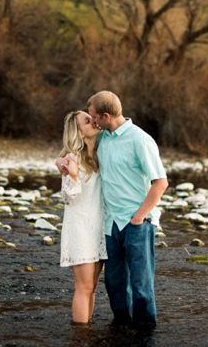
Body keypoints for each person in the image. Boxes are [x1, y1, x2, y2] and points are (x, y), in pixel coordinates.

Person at [59, 91, 168, 330]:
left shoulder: (140, 139)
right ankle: (120, 332)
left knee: (141, 285)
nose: (93, 120)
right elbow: (73, 152)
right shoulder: (103, 138)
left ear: (105, 116)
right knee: (114, 285)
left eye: (94, 117)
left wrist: (139, 217)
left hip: (137, 222)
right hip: (110, 225)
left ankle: (143, 336)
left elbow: (160, 183)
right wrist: (62, 163)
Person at [58, 110, 108, 325]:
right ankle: (80, 337)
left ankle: (86, 328)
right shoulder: (72, 159)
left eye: (93, 118)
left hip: (99, 229)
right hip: (81, 230)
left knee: (93, 288)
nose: (94, 121)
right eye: (88, 121)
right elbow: (68, 198)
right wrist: (74, 175)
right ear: (78, 132)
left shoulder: (100, 152)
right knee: (84, 287)